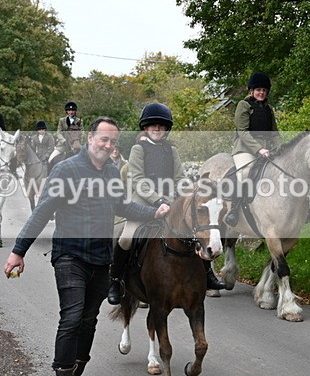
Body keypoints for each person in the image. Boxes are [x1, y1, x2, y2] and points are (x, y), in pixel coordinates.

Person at [2, 117, 169, 376]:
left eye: (113, 141)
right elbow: (43, 212)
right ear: (91, 138)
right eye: (103, 139)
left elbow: (123, 206)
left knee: (89, 321)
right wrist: (18, 251)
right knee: (72, 317)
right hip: (70, 256)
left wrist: (153, 211)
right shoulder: (65, 170)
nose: (108, 145)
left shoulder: (113, 172)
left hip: (100, 260)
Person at [107, 103, 226, 306]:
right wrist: (157, 200)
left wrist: (187, 194)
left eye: (161, 125)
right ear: (145, 127)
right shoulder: (138, 149)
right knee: (126, 238)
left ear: (166, 128)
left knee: (196, 229)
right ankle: (115, 281)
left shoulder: (171, 150)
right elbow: (138, 180)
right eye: (153, 125)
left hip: (171, 204)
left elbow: (179, 177)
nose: (157, 128)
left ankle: (208, 274)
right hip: (144, 204)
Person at [225, 72, 282, 226]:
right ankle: (234, 210)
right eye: (258, 90)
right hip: (245, 148)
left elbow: (274, 132)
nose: (261, 92)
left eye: (264, 90)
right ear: (251, 91)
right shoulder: (244, 105)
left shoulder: (269, 109)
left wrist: (280, 148)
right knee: (245, 172)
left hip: (267, 149)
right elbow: (243, 132)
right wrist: (259, 149)